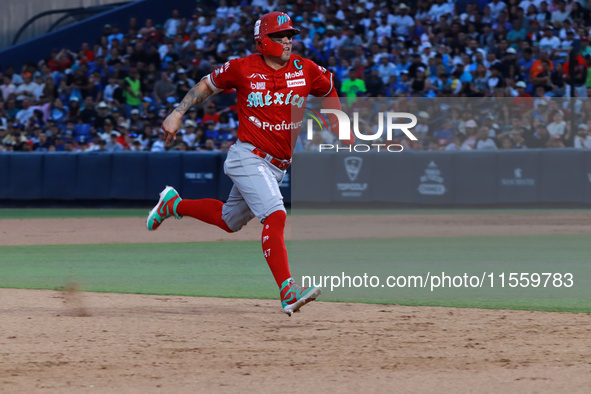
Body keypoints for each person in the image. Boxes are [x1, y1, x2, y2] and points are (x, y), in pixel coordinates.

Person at [146, 12, 351, 316]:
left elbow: (328, 88)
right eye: (279, 36)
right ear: (262, 41)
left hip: (277, 166)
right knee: (276, 215)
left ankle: (173, 204)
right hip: (248, 156)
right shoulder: (242, 68)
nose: (287, 41)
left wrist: (340, 124)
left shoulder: (304, 69)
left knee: (229, 222)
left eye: (289, 36)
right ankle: (288, 291)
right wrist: (177, 113)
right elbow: (206, 86)